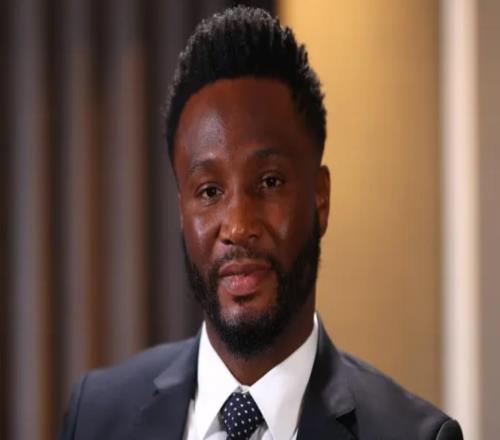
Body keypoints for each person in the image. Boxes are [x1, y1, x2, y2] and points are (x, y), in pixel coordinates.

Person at [59, 6, 462, 440]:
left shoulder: (414, 435)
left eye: (269, 182)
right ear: (182, 212)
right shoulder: (96, 417)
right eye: (209, 191)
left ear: (320, 199)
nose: (237, 226)